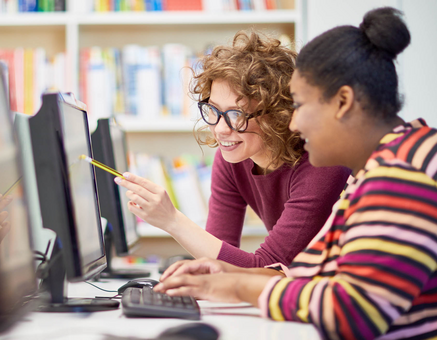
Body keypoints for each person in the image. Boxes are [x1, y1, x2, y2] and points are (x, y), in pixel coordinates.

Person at [154, 7, 437, 339]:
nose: (292, 123)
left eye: (300, 106)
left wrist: (237, 286)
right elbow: (311, 274)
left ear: (342, 102)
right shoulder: (377, 170)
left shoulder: (402, 174)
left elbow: (354, 311)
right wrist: (230, 274)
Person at [115, 30, 350, 268]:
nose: (220, 129)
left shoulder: (322, 164)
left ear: (277, 114)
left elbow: (267, 267)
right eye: (214, 110)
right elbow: (218, 255)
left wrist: (173, 220)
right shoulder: (231, 159)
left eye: (236, 114)